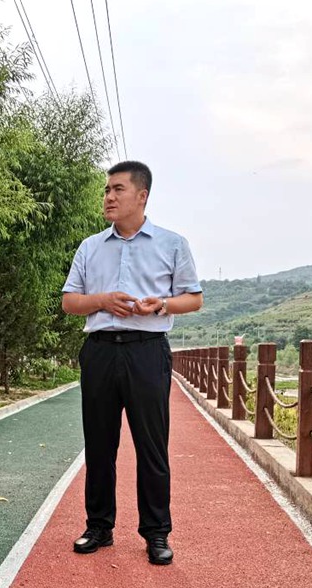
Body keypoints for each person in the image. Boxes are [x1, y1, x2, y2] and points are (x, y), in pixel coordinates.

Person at [61, 160, 203, 565]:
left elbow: (194, 298)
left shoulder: (172, 244)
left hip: (147, 351)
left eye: (117, 189)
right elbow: (70, 301)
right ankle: (99, 526)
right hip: (100, 350)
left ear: (142, 196)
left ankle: (156, 533)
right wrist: (103, 300)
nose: (108, 196)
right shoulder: (90, 247)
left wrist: (162, 305)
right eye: (107, 189)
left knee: (151, 446)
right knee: (99, 444)